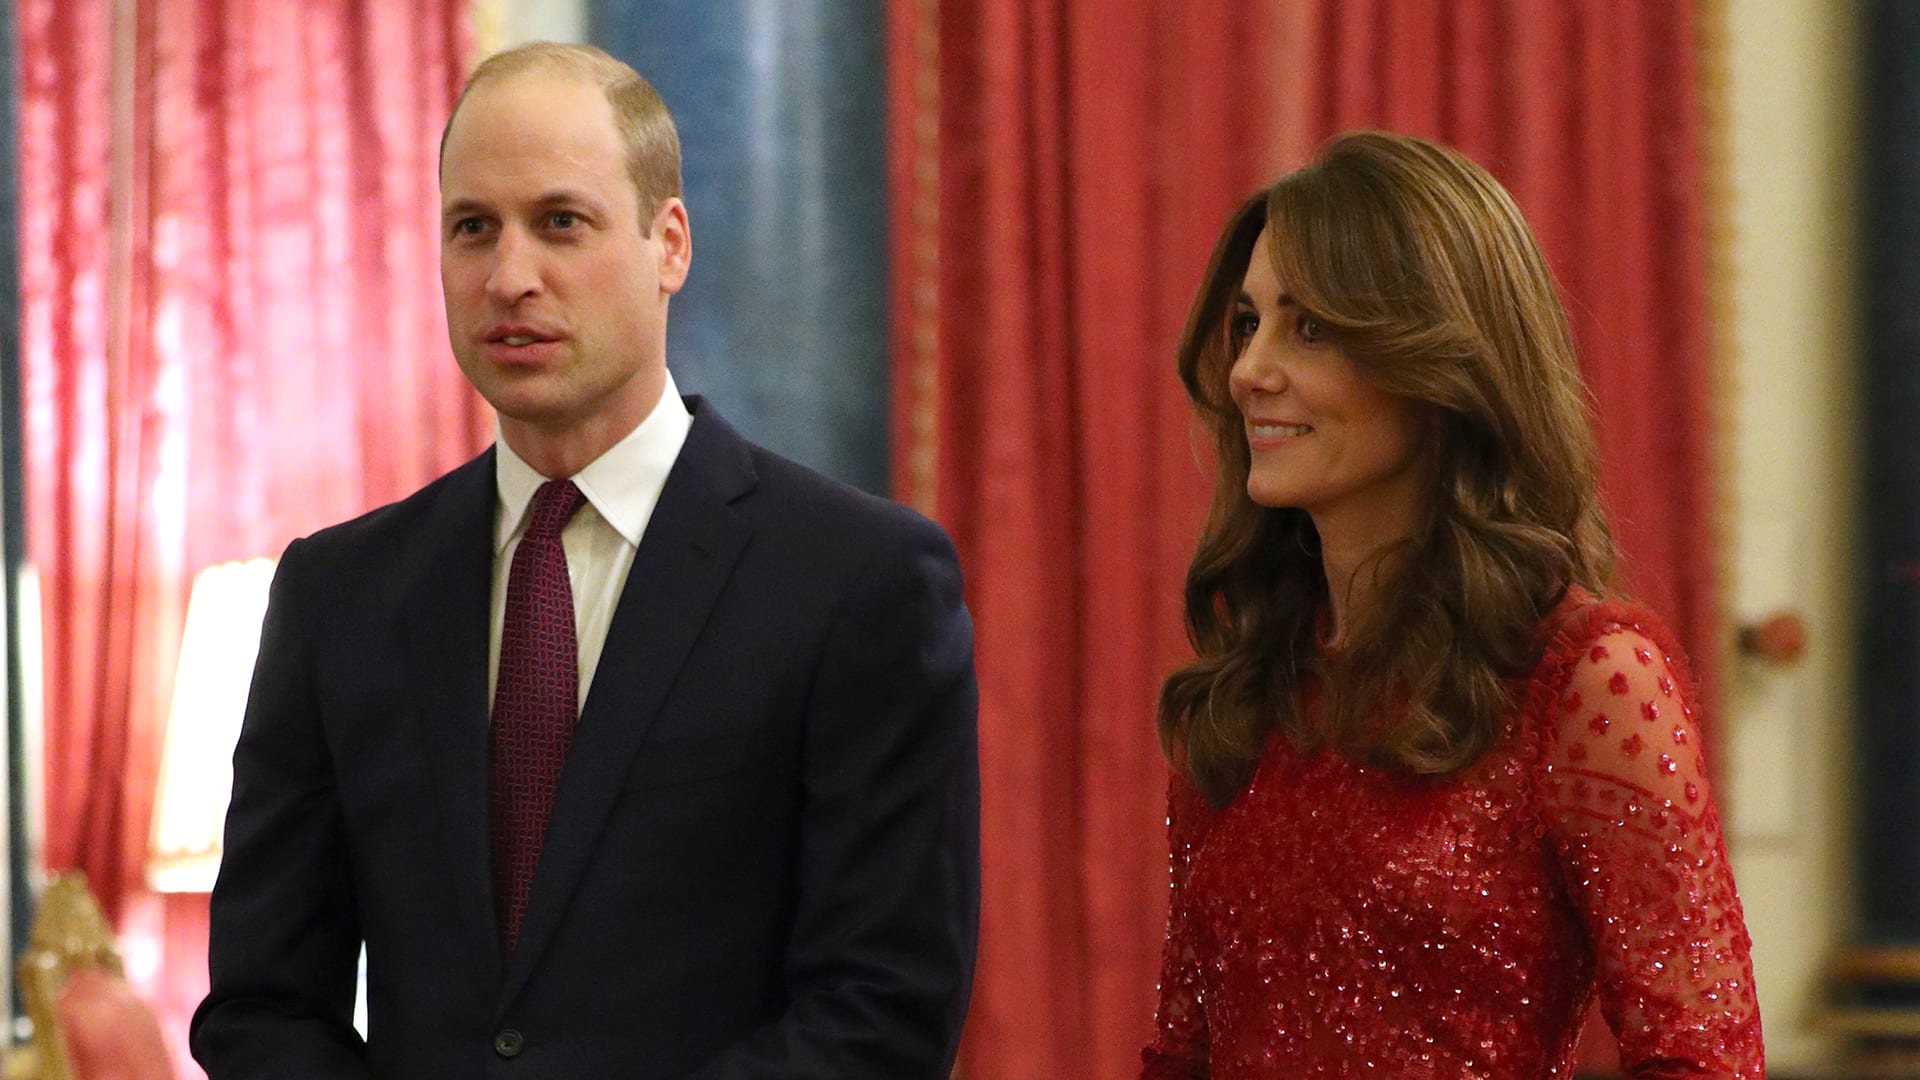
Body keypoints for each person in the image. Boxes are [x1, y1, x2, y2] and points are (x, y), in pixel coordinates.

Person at [191, 42, 980, 1078]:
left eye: (561, 222)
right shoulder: (340, 593)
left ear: (670, 244)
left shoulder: (858, 581)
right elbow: (261, 1003)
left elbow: (884, 1010)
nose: (510, 277)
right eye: (473, 228)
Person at [1140, 131, 1762, 1078]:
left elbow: (1702, 1058)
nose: (1249, 372)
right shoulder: (1249, 687)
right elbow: (1183, 1054)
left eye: (1309, 328)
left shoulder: (1589, 678)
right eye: (1248, 323)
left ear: (1439, 364)